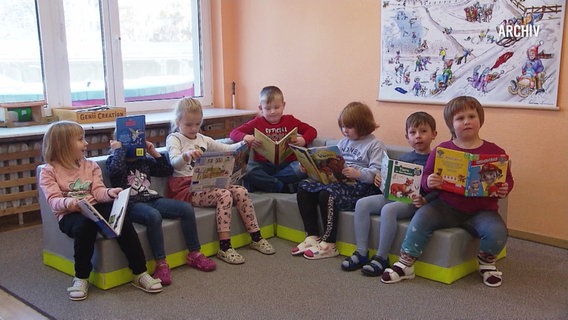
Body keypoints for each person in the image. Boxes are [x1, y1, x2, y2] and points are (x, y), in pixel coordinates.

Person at [381, 96, 514, 287]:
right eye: (460, 118)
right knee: (420, 219)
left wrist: (505, 188)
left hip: (482, 210)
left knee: (497, 231)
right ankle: (406, 263)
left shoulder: (495, 151)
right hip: (446, 206)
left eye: (471, 116)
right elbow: (425, 178)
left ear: (480, 120)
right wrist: (429, 181)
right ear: (451, 124)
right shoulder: (441, 150)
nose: (466, 121)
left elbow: (507, 180)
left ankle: (486, 262)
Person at [39, 121, 162, 301]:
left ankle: (140, 272)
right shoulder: (49, 171)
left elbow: (98, 191)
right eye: (80, 140)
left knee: (122, 220)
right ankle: (81, 277)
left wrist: (109, 193)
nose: (86, 143)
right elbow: (53, 201)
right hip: (69, 214)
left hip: (94, 206)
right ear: (63, 144)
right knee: (84, 227)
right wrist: (73, 203)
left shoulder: (90, 166)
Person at [166, 97, 276, 265]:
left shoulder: (203, 139)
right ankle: (225, 247)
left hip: (205, 183)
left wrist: (244, 143)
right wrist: (185, 155)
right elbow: (174, 161)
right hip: (186, 188)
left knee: (241, 191)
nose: (193, 128)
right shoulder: (175, 138)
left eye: (197, 124)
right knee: (224, 195)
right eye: (188, 124)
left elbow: (228, 149)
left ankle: (256, 236)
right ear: (178, 121)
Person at [106, 139, 217, 286]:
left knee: (186, 209)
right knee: (153, 215)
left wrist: (153, 151)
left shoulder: (143, 159)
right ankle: (161, 263)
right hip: (130, 203)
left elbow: (166, 170)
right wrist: (118, 150)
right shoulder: (113, 160)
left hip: (152, 198)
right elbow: (116, 171)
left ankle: (194, 253)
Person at [341, 111, 438, 275]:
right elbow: (391, 182)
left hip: (415, 202)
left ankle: (381, 257)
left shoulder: (436, 159)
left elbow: (439, 189)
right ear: (407, 137)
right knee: (362, 204)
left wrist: (426, 200)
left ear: (434, 134)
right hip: (395, 196)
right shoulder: (405, 158)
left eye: (423, 131)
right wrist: (380, 180)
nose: (418, 136)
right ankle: (362, 252)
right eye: (413, 133)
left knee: (389, 210)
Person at [292, 102, 386, 260]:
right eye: (342, 126)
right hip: (340, 181)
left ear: (362, 125)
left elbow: (378, 173)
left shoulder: (375, 145)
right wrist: (310, 168)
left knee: (327, 193)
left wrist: (358, 173)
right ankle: (312, 235)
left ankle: (329, 243)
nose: (345, 130)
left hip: (361, 187)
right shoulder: (343, 142)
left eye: (349, 127)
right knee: (304, 186)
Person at [229, 86, 317, 193]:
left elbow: (312, 130)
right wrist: (245, 137)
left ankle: (264, 183)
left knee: (302, 168)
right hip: (264, 165)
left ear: (283, 105)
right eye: (268, 108)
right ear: (261, 108)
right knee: (246, 170)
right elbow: (233, 133)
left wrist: (303, 139)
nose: (272, 112)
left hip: (287, 165)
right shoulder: (257, 122)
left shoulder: (290, 120)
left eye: (276, 107)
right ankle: (282, 187)